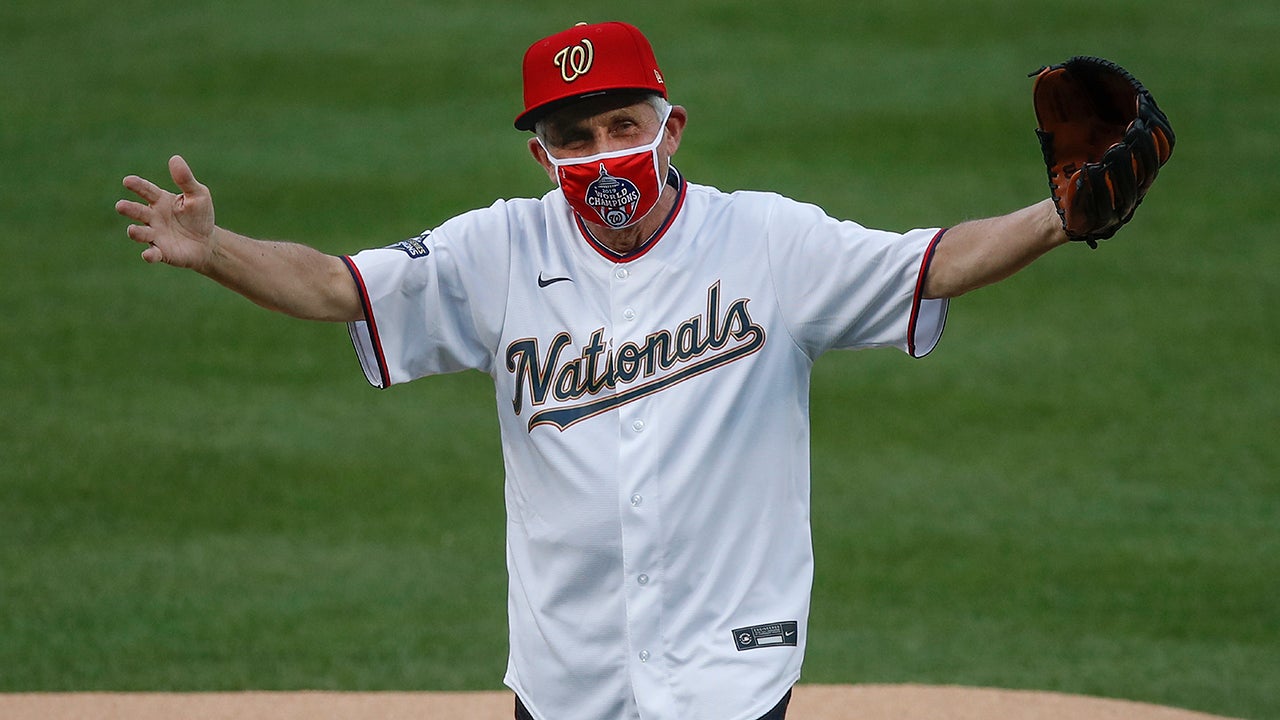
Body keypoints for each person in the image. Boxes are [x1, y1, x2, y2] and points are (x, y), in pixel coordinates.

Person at [116, 20, 1079, 720]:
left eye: (623, 126)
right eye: (573, 140)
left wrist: (1058, 218)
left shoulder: (768, 240)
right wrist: (217, 249)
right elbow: (338, 287)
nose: (601, 155)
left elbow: (931, 261)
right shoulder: (495, 248)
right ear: (542, 156)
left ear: (673, 129)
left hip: (725, 673)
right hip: (566, 675)